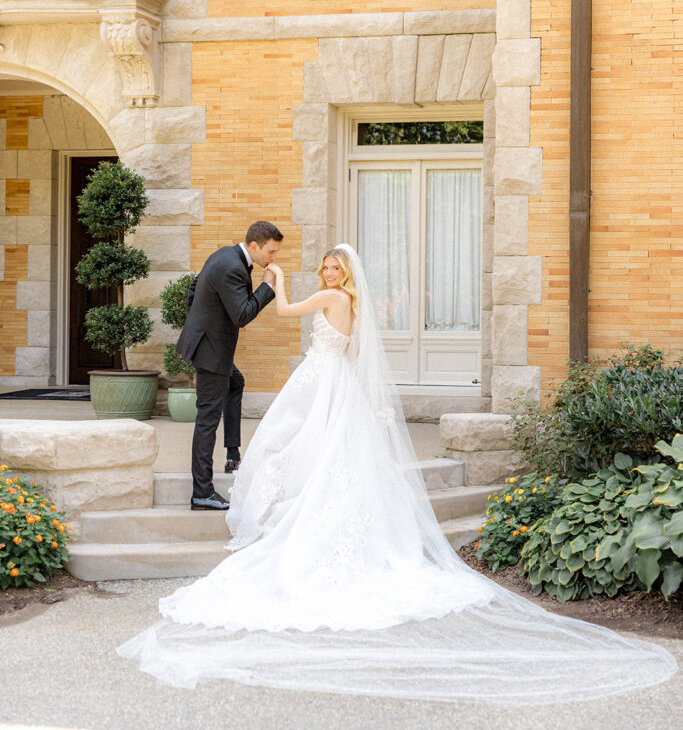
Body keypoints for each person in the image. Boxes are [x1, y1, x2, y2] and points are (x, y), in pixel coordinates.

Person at [119, 246, 677, 701]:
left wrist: (279, 280)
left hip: (320, 384)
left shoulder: (329, 299)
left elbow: (285, 315)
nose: (330, 272)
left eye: (335, 267)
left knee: (296, 446)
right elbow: (360, 357)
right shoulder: (354, 306)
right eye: (327, 266)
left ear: (345, 274)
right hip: (330, 384)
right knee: (308, 449)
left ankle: (292, 511)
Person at [175, 220, 282, 510]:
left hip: (208, 344)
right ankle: (202, 492)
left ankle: (233, 454)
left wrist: (200, 323)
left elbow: (194, 289)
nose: (273, 258)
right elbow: (242, 315)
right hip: (211, 352)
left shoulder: (223, 254)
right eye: (271, 252)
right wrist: (267, 287)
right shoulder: (233, 267)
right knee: (207, 419)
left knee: (236, 383)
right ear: (254, 246)